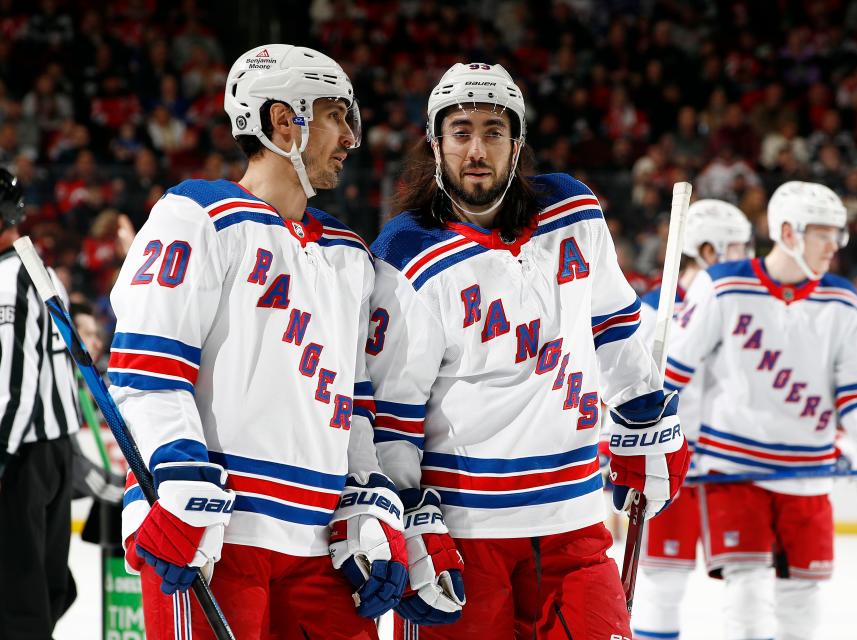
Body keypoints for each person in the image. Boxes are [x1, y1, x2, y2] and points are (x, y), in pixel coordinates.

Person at [365, 62, 689, 640]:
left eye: (494, 130)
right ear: (436, 142)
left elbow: (613, 321)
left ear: (517, 143)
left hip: (575, 519)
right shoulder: (406, 252)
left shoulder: (572, 211)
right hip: (464, 533)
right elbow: (393, 411)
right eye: (460, 131)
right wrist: (408, 514)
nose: (477, 149)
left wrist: (642, 413)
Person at [111, 45, 407, 640]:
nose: (351, 137)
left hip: (324, 548)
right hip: (216, 536)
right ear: (283, 120)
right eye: (334, 116)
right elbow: (147, 373)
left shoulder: (350, 255)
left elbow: (354, 400)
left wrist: (368, 490)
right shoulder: (197, 216)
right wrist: (176, 473)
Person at [664, 181, 857, 640]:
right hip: (735, 470)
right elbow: (674, 372)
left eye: (838, 235)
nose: (835, 245)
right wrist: (643, 436)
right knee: (748, 605)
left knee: (801, 614)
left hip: (808, 473)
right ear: (789, 233)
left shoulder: (842, 301)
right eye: (824, 234)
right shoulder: (724, 286)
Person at [629, 199, 752, 640]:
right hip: (670, 462)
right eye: (739, 248)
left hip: (729, 463)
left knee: (748, 578)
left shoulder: (748, 309)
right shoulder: (645, 313)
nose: (748, 259)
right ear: (708, 250)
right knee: (663, 581)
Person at [0, 167, 82, 639]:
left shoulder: (8, 280)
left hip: (23, 452)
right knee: (43, 584)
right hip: (56, 446)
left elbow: (14, 383)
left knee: (17, 594)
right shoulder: (39, 267)